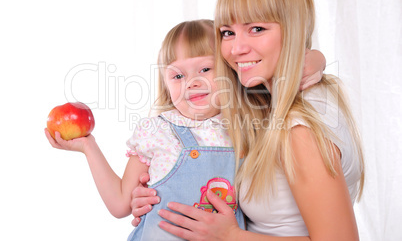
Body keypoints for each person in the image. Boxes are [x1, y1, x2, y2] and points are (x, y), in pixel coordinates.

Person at [132, 0, 365, 241]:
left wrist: (231, 237)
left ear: (293, 28)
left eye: (256, 28)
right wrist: (162, 194)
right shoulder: (276, 98)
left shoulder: (299, 130)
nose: (235, 48)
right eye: (228, 32)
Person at [45, 18, 324, 239]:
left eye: (205, 69)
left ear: (231, 72)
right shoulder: (156, 131)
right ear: (165, 82)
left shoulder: (250, 121)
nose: (191, 81)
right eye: (177, 75)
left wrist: (317, 59)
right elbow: (120, 204)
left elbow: (297, 70)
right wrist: (88, 146)